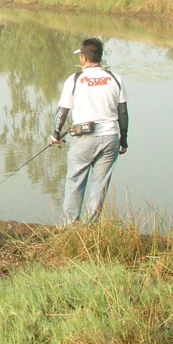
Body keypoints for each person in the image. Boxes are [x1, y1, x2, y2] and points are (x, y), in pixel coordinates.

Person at [50, 38, 128, 225]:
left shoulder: (75, 79)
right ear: (99, 56)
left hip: (83, 139)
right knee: (99, 185)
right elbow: (123, 112)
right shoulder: (115, 78)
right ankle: (90, 226)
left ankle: (68, 225)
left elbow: (62, 111)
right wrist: (123, 141)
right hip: (110, 138)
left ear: (84, 58)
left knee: (75, 182)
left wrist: (55, 134)